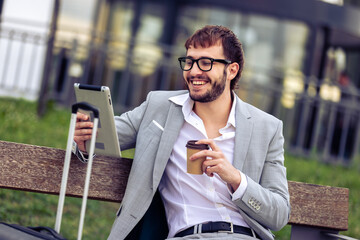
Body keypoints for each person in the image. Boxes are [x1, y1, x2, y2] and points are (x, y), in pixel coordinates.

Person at [73, 25, 290, 240]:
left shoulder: (267, 128)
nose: (194, 71)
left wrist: (234, 178)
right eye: (189, 62)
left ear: (231, 70)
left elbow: (279, 214)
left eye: (206, 63)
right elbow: (106, 135)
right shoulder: (159, 108)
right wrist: (86, 139)